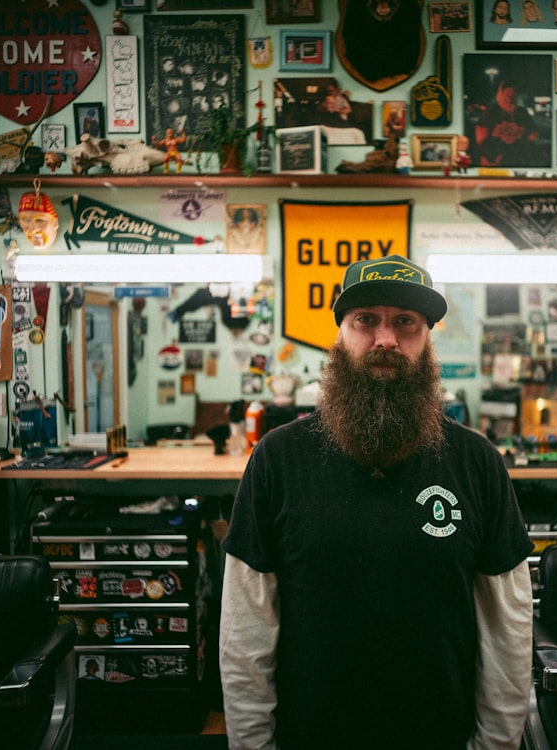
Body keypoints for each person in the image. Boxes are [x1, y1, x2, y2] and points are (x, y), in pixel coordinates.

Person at [220, 255, 534, 750]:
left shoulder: (477, 463)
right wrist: (253, 744)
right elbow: (246, 630)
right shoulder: (277, 459)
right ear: (341, 333)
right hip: (310, 735)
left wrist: (495, 743)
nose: (386, 339)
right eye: (367, 319)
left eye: (405, 322)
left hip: (441, 735)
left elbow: (507, 630)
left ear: (427, 338)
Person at [474, 77, 539, 166]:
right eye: (508, 91)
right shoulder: (491, 112)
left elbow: (532, 136)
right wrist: (494, 156)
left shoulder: (522, 113)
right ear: (501, 93)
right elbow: (481, 140)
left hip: (517, 162)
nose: (511, 94)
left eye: (514, 91)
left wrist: (525, 154)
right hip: (493, 163)